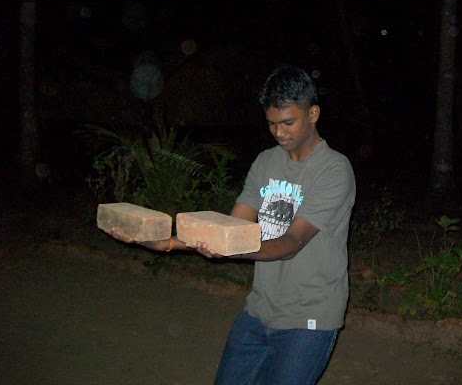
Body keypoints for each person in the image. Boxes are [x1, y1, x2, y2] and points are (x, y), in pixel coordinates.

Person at [109, 65, 356, 385]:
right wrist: (165, 242)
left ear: (313, 114)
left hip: (308, 320)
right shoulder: (266, 162)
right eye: (271, 124)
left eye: (288, 123)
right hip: (259, 311)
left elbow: (291, 243)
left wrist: (231, 249)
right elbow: (231, 226)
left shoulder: (334, 170)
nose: (279, 132)